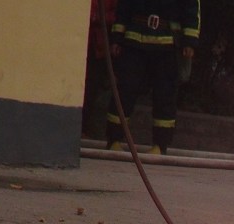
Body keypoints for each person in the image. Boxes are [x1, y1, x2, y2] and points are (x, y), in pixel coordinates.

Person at [105, 0, 201, 155]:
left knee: (165, 96)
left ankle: (160, 145)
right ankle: (114, 140)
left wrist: (189, 41)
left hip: (167, 45)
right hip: (134, 42)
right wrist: (117, 36)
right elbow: (123, 6)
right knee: (125, 91)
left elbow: (192, 8)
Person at [81, 0, 117, 139]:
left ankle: (86, 129)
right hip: (81, 42)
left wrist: (98, 17)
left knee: (92, 88)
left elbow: (117, 13)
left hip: (99, 46)